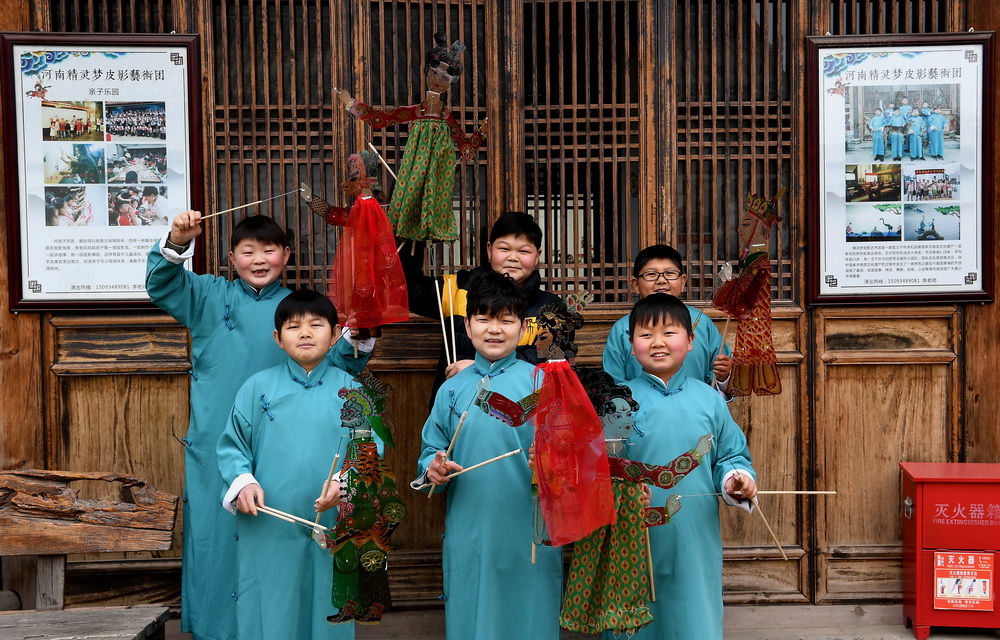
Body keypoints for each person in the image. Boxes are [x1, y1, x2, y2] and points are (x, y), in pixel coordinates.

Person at [146, 213, 373, 640]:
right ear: (231, 258)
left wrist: (358, 337)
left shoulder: (298, 311)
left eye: (269, 250)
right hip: (222, 445)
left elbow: (336, 370)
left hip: (290, 450)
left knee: (287, 545)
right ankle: (219, 631)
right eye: (247, 251)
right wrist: (177, 241)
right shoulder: (209, 295)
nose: (259, 260)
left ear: (286, 255)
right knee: (217, 544)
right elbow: (162, 285)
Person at [413, 270, 562, 639]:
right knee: (472, 615)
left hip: (530, 526)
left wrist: (549, 463)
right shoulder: (451, 389)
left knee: (530, 617)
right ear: (467, 325)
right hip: (470, 526)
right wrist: (433, 468)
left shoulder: (541, 383)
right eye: (483, 318)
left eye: (506, 320)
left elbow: (567, 454)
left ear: (523, 326)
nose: (494, 329)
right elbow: (431, 450)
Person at [217, 290, 364, 640]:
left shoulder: (354, 391)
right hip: (268, 522)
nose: (306, 333)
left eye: (316, 324)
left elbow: (368, 452)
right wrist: (243, 483)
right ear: (277, 339)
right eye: (294, 326)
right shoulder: (257, 388)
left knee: (328, 606)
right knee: (270, 605)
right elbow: (232, 445)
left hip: (332, 520)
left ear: (335, 334)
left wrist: (344, 484)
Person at [620, 292, 757, 640]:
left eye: (669, 332)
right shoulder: (615, 401)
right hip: (630, 533)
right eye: (646, 334)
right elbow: (598, 465)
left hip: (694, 534)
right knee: (634, 618)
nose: (658, 343)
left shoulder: (710, 398)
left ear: (691, 340)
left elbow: (730, 456)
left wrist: (735, 480)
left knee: (694, 615)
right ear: (630, 342)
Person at [399, 211, 561, 395]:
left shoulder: (552, 309)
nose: (513, 257)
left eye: (523, 251)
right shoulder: (458, 287)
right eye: (504, 249)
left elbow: (551, 367)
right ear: (489, 250)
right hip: (456, 403)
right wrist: (413, 232)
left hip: (518, 412)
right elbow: (406, 290)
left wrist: (480, 370)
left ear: (537, 255)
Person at [602, 244, 732, 394]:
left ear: (683, 282)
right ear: (635, 285)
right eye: (651, 274)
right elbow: (614, 384)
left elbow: (717, 379)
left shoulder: (702, 322)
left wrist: (724, 377)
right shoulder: (622, 328)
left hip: (695, 411)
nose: (661, 280)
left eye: (670, 273)